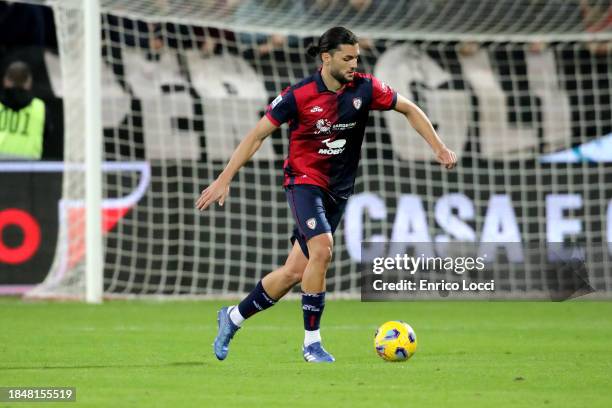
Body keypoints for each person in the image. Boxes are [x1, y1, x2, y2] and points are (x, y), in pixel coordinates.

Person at [196, 27, 457, 363]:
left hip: (338, 191)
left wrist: (439, 147)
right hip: (304, 182)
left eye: (356, 58)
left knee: (293, 273)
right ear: (326, 57)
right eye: (347, 58)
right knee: (323, 249)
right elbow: (256, 135)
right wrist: (224, 177)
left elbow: (408, 108)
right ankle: (311, 344)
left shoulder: (366, 87)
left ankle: (232, 317)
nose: (353, 64)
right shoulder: (299, 94)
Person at [0, 61, 47, 160]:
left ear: (5, 80)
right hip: (29, 170)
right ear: (29, 82)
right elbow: (48, 137)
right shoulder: (41, 108)